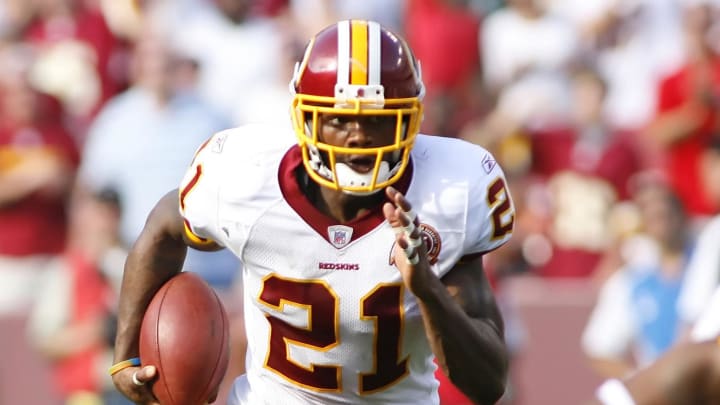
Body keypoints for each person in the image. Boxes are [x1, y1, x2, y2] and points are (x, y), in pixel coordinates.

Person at [110, 19, 514, 405]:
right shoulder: (246, 175)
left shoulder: (450, 191)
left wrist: (428, 289)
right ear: (305, 118)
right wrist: (126, 354)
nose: (358, 136)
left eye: (377, 121)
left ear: (410, 121)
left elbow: (487, 385)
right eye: (338, 119)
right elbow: (163, 227)